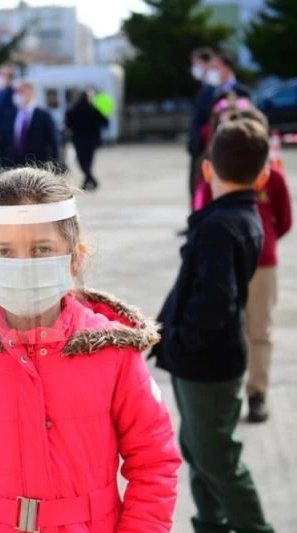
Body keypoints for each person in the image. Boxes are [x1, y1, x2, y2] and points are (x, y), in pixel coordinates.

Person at [0, 167, 181, 532]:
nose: (24, 266)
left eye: (42, 250)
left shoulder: (114, 354)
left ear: (75, 257)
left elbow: (154, 463)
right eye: (4, 251)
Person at [151, 119, 275, 533]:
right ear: (263, 175)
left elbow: (214, 303)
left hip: (206, 364)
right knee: (198, 450)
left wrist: (180, 343)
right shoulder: (243, 217)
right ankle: (210, 522)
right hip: (206, 361)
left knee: (216, 457)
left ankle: (254, 527)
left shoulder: (220, 225)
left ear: (207, 169)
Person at [193, 107, 292, 424]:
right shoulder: (215, 173)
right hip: (222, 260)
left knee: (259, 331)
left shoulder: (273, 177)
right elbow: (200, 212)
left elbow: (284, 220)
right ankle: (227, 392)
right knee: (222, 328)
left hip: (262, 264)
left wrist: (263, 242)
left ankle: (257, 392)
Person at [5, 81, 60, 169]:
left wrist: (54, 165)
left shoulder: (43, 115)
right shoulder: (11, 115)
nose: (17, 95)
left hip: (38, 165)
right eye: (16, 92)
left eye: (21, 91)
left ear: (30, 92)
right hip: (16, 166)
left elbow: (53, 142)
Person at [188, 48, 218, 203]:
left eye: (196, 63)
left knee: (202, 186)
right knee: (194, 186)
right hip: (198, 146)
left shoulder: (214, 89)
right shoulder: (203, 88)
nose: (194, 68)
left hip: (205, 147)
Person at [65, 88, 109, 191]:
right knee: (88, 161)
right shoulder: (94, 110)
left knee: (81, 161)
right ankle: (91, 180)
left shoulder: (74, 109)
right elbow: (105, 122)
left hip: (78, 140)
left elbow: (68, 124)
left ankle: (88, 180)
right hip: (91, 140)